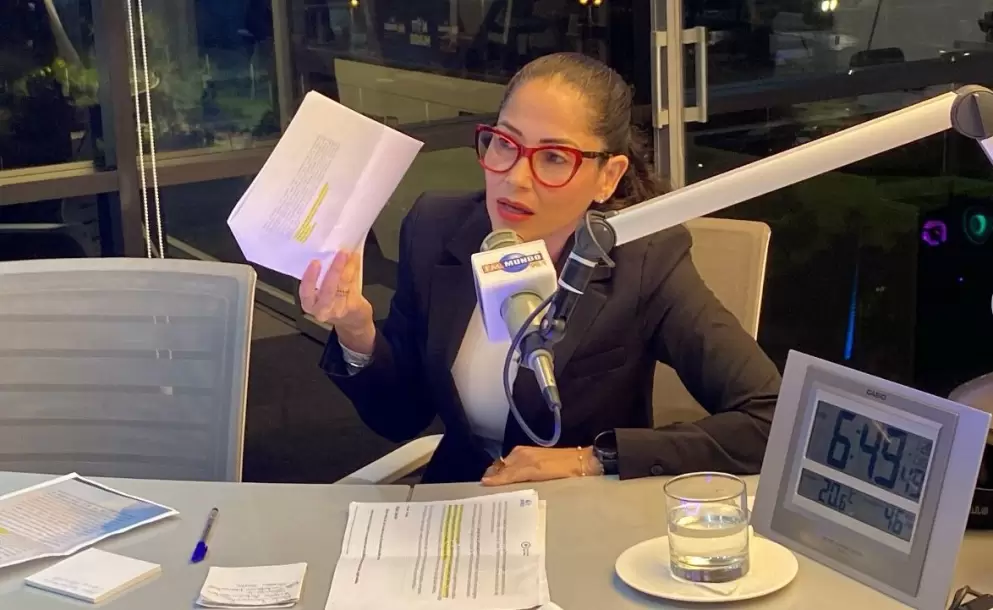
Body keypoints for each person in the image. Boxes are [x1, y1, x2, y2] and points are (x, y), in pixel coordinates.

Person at [300, 52, 781, 485]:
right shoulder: (435, 227)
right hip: (461, 502)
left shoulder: (645, 260)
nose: (515, 177)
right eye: (505, 144)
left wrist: (591, 459)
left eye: (553, 157)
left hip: (581, 510)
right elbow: (400, 417)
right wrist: (356, 330)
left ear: (608, 177)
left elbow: (770, 417)